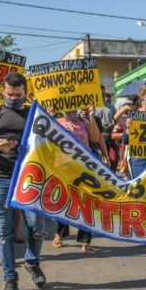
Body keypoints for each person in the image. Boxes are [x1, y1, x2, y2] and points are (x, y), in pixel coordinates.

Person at [0, 72, 47, 290]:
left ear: (26, 93)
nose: (13, 98)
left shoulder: (35, 114)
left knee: (36, 227)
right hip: (0, 178)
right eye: (9, 94)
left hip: (30, 179)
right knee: (3, 232)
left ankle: (32, 262)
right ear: (2, 92)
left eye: (18, 94)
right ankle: (9, 278)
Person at [53, 105, 102, 253]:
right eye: (67, 107)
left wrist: (91, 117)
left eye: (73, 107)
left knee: (86, 203)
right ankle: (60, 234)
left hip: (83, 168)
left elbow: (95, 138)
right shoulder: (55, 122)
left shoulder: (84, 122)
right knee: (63, 202)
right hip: (62, 168)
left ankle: (85, 240)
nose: (70, 109)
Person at [122, 84, 146, 177]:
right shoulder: (134, 115)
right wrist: (128, 129)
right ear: (142, 98)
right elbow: (125, 140)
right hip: (139, 160)